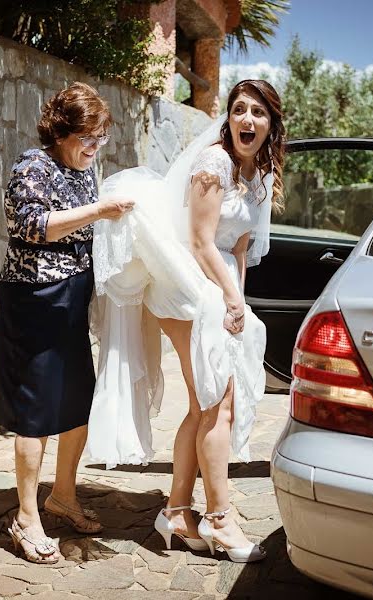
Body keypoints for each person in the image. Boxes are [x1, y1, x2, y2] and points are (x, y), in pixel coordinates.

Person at [86, 80, 286, 563]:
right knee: (219, 400)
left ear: (270, 125)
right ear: (230, 119)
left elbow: (238, 248)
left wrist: (239, 301)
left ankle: (176, 512)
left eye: (257, 112)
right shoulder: (214, 162)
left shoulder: (258, 172)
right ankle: (220, 518)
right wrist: (227, 298)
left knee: (205, 404)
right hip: (182, 278)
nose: (247, 119)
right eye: (239, 109)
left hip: (217, 284)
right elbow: (200, 241)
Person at [0, 82, 134, 564]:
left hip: (71, 301)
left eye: (101, 138)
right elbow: (29, 226)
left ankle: (63, 496)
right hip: (35, 300)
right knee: (36, 410)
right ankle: (26, 518)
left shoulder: (83, 172)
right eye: (87, 138)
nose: (95, 148)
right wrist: (98, 211)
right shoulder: (34, 165)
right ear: (61, 132)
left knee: (76, 401)